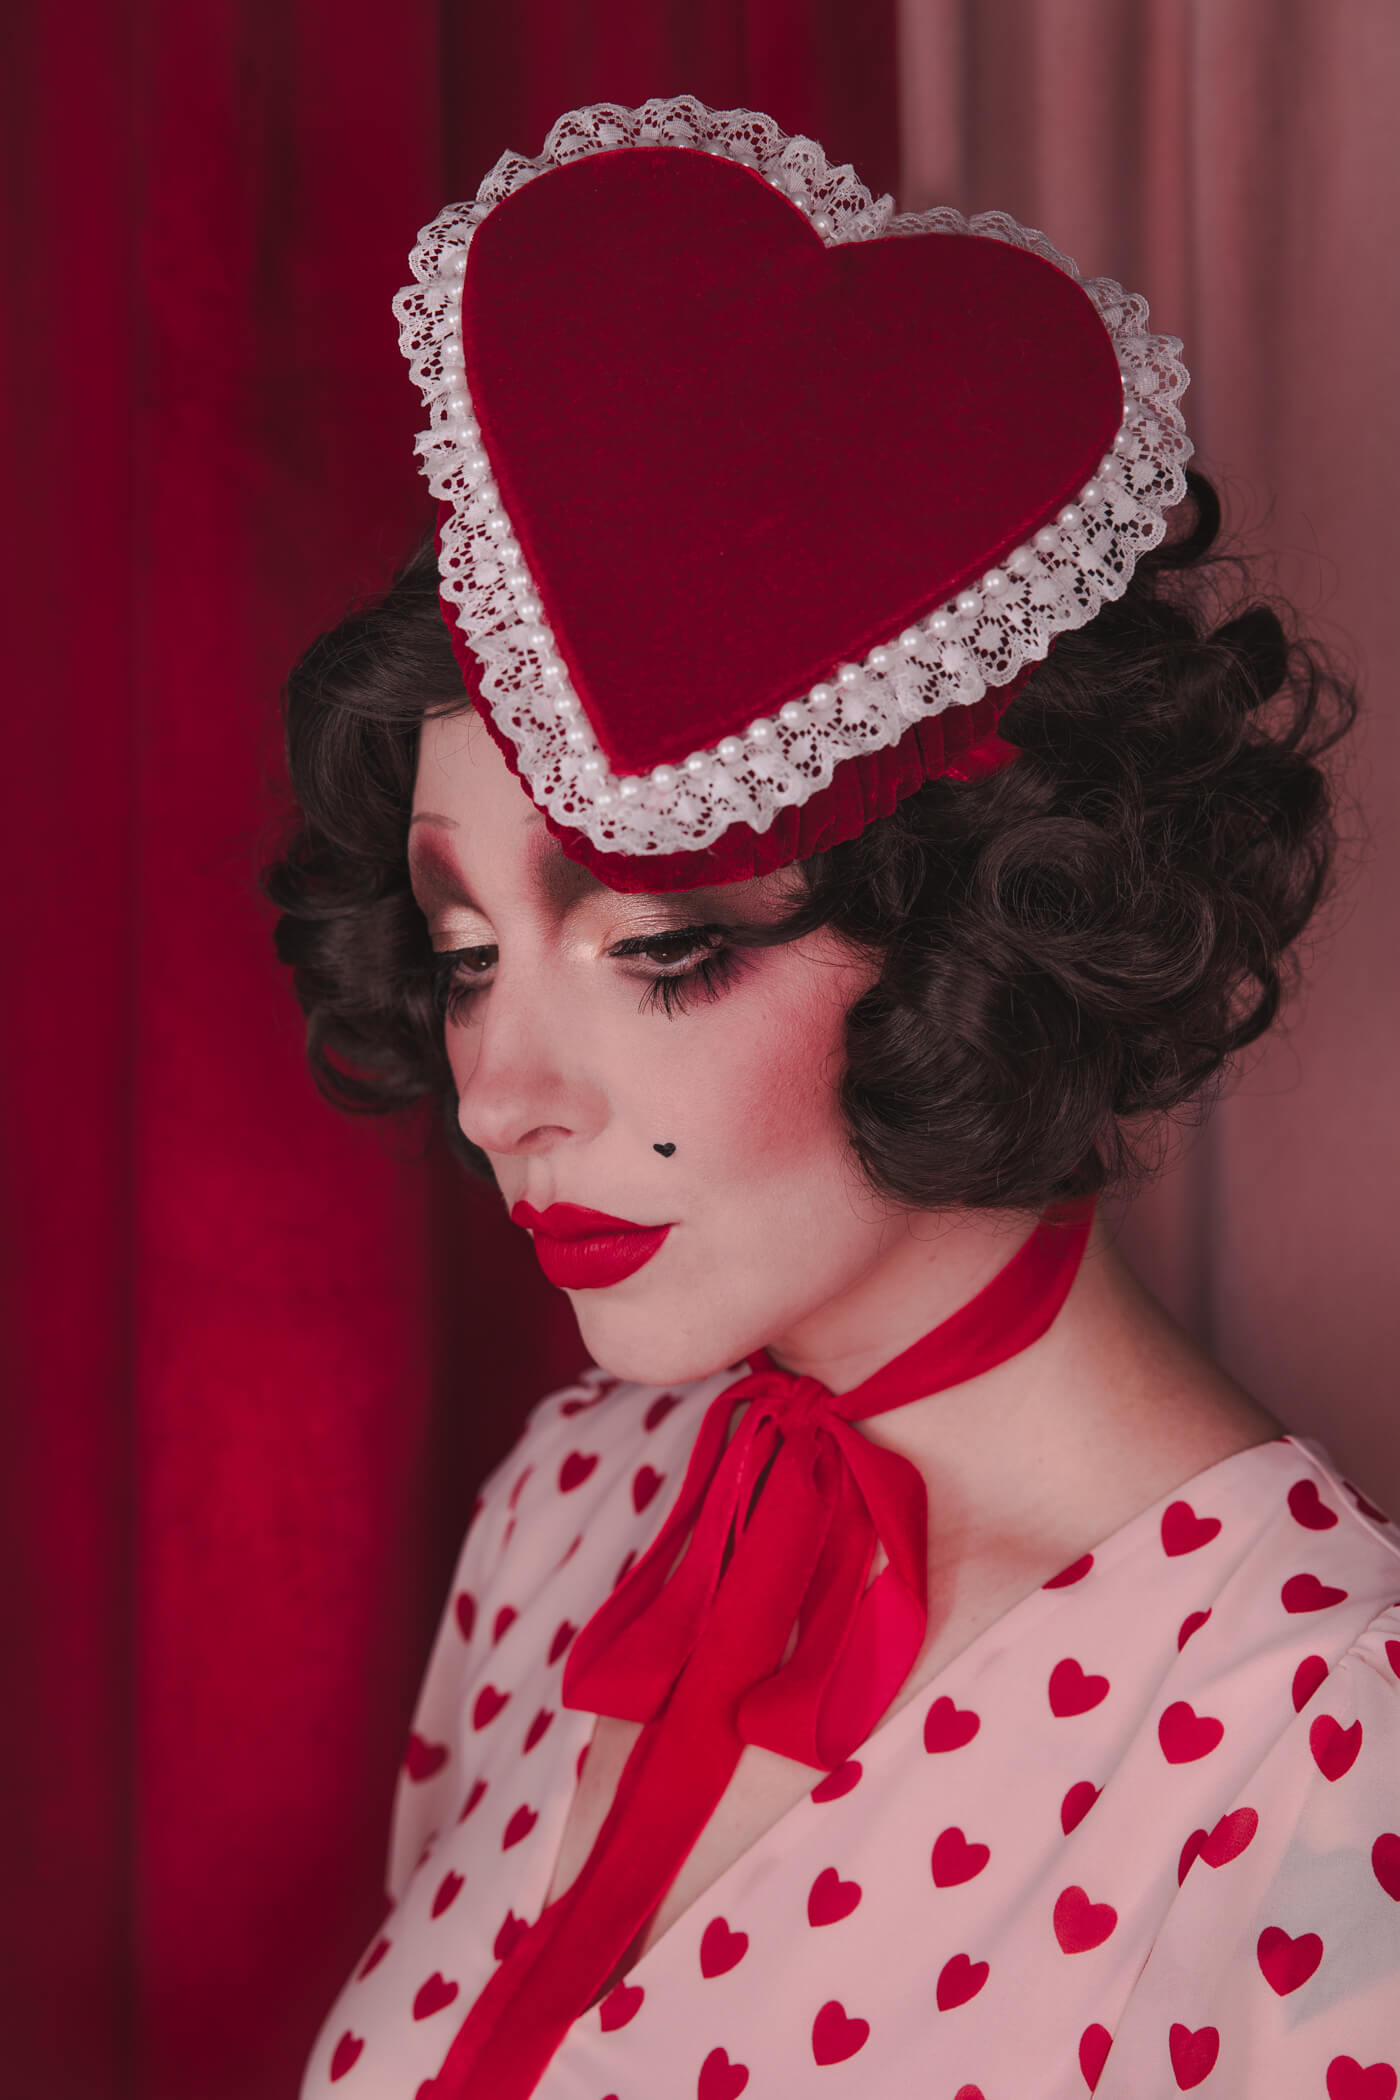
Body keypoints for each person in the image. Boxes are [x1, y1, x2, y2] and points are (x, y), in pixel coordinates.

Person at [264, 98, 1399, 2100]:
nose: (501, 1096)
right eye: (462, 958)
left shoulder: (1306, 1730)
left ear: (983, 926)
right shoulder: (574, 1502)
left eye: (664, 944)